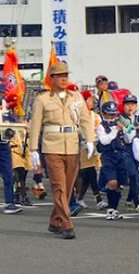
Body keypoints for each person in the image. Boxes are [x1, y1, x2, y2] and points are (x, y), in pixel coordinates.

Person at [29, 62, 95, 239]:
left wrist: (90, 140)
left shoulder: (76, 97)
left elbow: (85, 120)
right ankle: (67, 224)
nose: (64, 78)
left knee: (68, 187)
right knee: (59, 187)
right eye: (60, 75)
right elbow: (34, 125)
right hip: (52, 146)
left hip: (72, 145)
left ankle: (54, 221)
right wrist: (33, 149)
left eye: (66, 75)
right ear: (52, 78)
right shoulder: (43, 99)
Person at [97, 101, 133, 220]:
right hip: (108, 156)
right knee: (112, 182)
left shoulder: (122, 122)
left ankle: (115, 209)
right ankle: (110, 209)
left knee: (119, 183)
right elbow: (104, 141)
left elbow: (129, 139)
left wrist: (127, 130)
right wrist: (115, 129)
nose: (112, 117)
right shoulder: (102, 126)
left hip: (121, 155)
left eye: (114, 114)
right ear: (103, 114)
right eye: (109, 114)